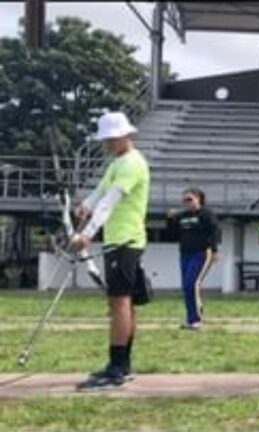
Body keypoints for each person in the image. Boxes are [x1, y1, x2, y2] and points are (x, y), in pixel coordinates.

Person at [70, 111, 151, 390]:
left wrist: (86, 234)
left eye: (110, 139)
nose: (106, 144)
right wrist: (85, 207)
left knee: (119, 302)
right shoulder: (117, 162)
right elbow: (100, 195)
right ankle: (121, 364)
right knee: (122, 302)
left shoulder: (132, 164)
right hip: (119, 241)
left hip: (125, 241)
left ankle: (117, 368)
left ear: (124, 136)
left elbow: (111, 201)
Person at [167, 187, 220, 330]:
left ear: (198, 199)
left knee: (193, 284)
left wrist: (214, 250)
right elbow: (172, 233)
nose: (187, 203)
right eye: (184, 200)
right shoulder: (182, 216)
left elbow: (214, 230)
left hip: (202, 253)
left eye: (190, 199)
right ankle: (191, 319)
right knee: (186, 287)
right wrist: (170, 219)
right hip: (185, 253)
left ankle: (197, 319)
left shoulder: (206, 214)